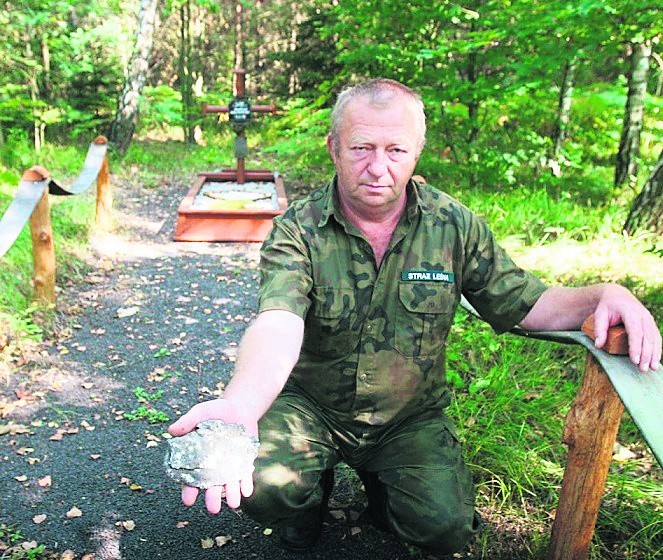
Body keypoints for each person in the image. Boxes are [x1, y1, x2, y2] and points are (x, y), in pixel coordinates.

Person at [169, 78, 661, 556]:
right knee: (264, 487)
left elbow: (525, 303)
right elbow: (279, 320)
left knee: (444, 527)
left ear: (416, 153)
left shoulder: (453, 225)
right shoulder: (298, 229)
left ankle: (385, 501)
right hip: (310, 408)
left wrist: (604, 293)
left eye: (396, 150)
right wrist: (240, 405)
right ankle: (304, 511)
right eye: (362, 148)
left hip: (408, 418)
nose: (378, 167)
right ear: (334, 147)